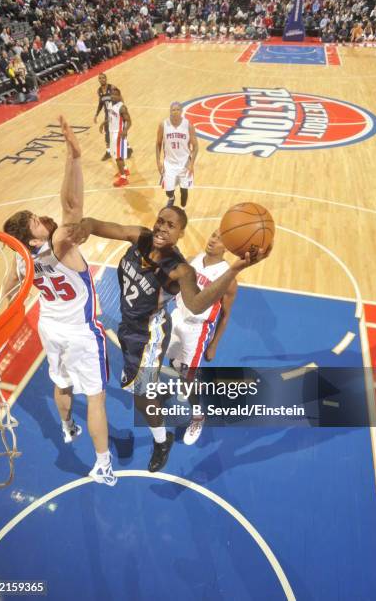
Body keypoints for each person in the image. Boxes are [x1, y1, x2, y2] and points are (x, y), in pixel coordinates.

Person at [72, 210, 272, 473]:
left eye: (171, 225)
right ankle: (161, 400)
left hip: (150, 335)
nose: (163, 228)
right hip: (132, 326)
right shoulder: (140, 237)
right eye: (160, 221)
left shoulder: (181, 269)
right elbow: (104, 224)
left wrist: (236, 268)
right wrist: (86, 225)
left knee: (143, 397)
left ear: (181, 234)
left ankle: (163, 439)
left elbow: (198, 304)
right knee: (169, 375)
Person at [2, 117, 116, 487]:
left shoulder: (22, 260)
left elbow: (8, 291)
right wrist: (74, 155)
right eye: (35, 221)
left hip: (48, 327)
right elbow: (71, 204)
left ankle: (67, 427)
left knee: (62, 382)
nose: (41, 219)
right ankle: (102, 463)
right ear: (32, 237)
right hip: (80, 332)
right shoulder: (60, 246)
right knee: (96, 398)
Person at [167, 229, 236, 445]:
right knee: (172, 360)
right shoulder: (191, 261)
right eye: (213, 235)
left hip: (197, 330)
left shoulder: (228, 279)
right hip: (176, 317)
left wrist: (214, 344)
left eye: (219, 239)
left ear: (227, 248)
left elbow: (225, 315)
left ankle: (198, 416)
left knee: (187, 378)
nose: (213, 240)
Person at [156, 102, 198, 208]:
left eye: (177, 109)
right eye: (173, 110)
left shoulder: (188, 125)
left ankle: (183, 209)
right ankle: (171, 198)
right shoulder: (163, 125)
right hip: (169, 163)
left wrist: (192, 164)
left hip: (185, 163)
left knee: (184, 190)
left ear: (181, 111)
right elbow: (158, 144)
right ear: (170, 111)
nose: (175, 112)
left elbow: (196, 146)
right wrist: (158, 162)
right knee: (168, 190)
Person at [99, 86, 132, 188]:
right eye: (112, 94)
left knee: (118, 157)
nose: (113, 96)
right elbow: (111, 118)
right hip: (112, 132)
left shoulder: (122, 107)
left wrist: (125, 130)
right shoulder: (109, 104)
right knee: (115, 155)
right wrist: (103, 123)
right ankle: (125, 169)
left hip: (119, 134)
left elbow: (129, 121)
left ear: (119, 96)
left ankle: (123, 178)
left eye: (116, 95)